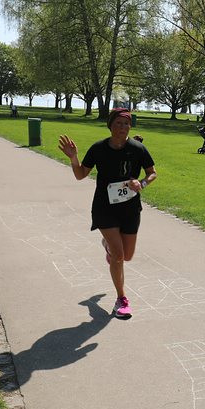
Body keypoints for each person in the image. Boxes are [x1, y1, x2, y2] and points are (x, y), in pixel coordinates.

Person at [58, 108, 157, 319]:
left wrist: (142, 183)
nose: (123, 128)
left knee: (127, 256)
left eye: (126, 124)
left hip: (130, 208)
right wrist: (74, 158)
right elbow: (80, 175)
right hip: (105, 208)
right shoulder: (99, 149)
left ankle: (107, 245)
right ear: (110, 125)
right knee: (119, 256)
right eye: (119, 123)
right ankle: (121, 299)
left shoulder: (138, 148)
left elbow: (152, 173)